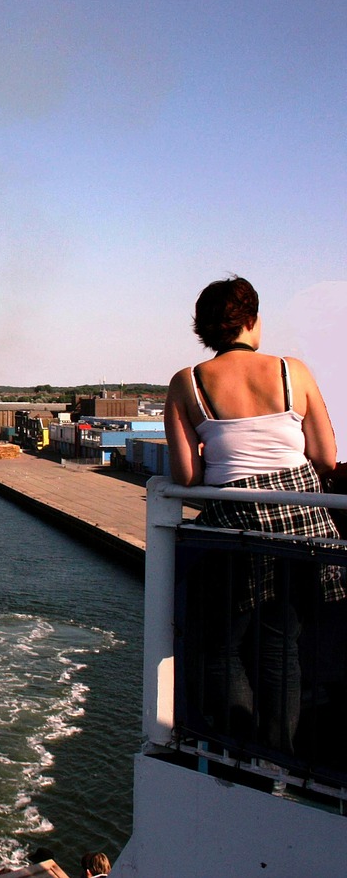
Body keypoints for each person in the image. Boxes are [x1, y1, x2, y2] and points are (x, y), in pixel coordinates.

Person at [165, 275, 342, 752]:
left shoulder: (188, 382)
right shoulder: (293, 371)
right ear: (252, 320)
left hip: (235, 524)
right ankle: (278, 757)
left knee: (219, 650)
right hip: (301, 523)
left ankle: (243, 749)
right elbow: (325, 458)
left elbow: (185, 475)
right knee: (281, 649)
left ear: (204, 329)